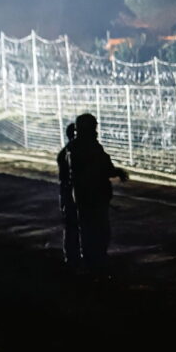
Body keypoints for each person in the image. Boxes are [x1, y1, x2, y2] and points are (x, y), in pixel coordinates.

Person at [66, 113, 128, 273]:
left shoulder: (77, 147)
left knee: (91, 229)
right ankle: (95, 262)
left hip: (86, 195)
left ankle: (92, 260)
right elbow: (101, 168)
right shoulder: (87, 147)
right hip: (93, 195)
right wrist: (116, 172)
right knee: (96, 229)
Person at [57, 122, 80, 267]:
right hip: (74, 193)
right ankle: (74, 257)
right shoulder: (73, 151)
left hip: (68, 193)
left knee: (71, 226)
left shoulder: (66, 151)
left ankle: (72, 257)